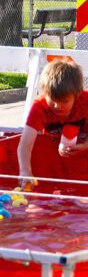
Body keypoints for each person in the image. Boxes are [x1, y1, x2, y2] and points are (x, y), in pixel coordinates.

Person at [17, 58, 88, 189]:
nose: (57, 106)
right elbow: (25, 144)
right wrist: (25, 171)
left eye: (64, 101)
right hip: (52, 158)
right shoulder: (40, 106)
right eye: (53, 100)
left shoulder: (85, 101)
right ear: (45, 92)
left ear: (77, 95)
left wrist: (85, 145)